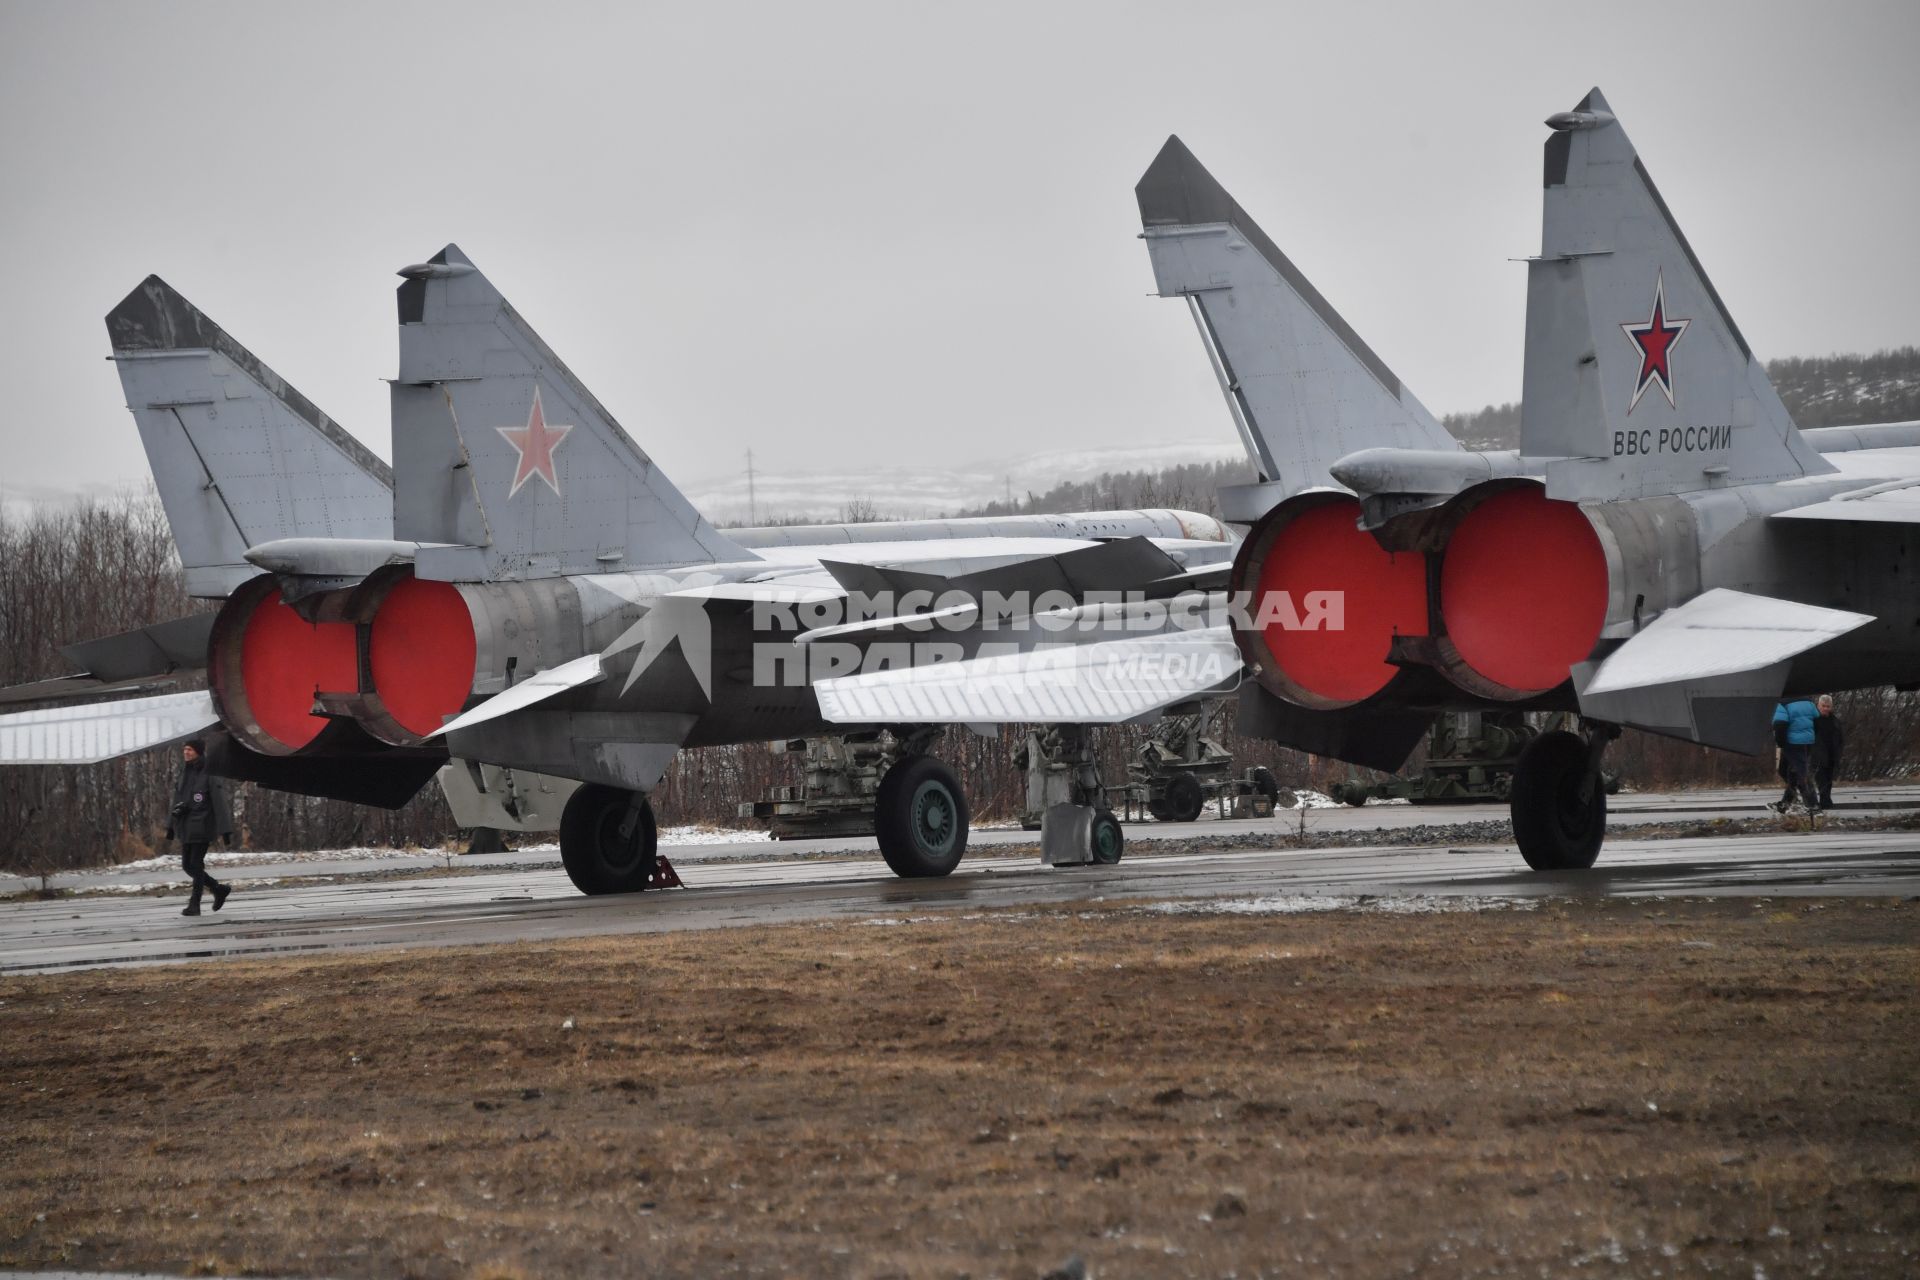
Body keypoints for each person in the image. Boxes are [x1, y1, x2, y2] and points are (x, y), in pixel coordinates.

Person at [167, 738, 235, 916]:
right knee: (187, 866)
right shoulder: (184, 772)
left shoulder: (210, 772)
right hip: (186, 827)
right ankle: (218, 889)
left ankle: (194, 905)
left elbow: (220, 803)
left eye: (189, 750)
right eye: (184, 750)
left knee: (196, 865)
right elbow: (176, 800)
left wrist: (225, 830)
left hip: (203, 826)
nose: (186, 753)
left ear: (198, 751)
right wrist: (170, 826)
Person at [1770, 699, 1819, 814]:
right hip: (1808, 742)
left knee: (1802, 773)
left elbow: (1779, 725)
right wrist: (1811, 736)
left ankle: (1813, 805)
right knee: (1791, 772)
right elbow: (1817, 720)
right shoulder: (1809, 703)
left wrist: (1781, 743)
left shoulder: (1782, 704)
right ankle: (1785, 803)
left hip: (1792, 743)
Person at [1812, 694, 1844, 810]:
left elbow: (1840, 738)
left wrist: (1839, 752)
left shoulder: (1835, 721)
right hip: (1818, 756)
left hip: (1832, 755)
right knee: (1821, 781)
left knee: (1829, 781)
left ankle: (1826, 802)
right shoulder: (1813, 720)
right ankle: (1825, 803)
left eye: (1828, 706)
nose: (1826, 708)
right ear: (1818, 706)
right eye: (1823, 706)